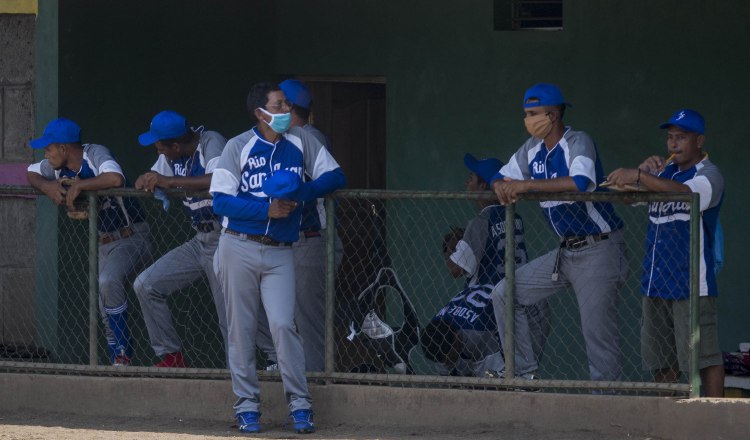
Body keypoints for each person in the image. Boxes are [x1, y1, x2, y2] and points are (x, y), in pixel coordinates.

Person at [209, 81, 345, 434]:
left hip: (282, 251)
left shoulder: (301, 140)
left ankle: (300, 404)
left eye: (285, 105)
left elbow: (335, 175)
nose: (286, 111)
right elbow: (220, 201)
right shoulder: (237, 146)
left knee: (284, 325)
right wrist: (265, 210)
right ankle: (247, 406)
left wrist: (303, 191)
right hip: (238, 244)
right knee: (240, 330)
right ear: (260, 112)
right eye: (279, 105)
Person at [491, 83, 628, 382]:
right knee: (504, 293)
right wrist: (500, 185)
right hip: (566, 251)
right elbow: (500, 175)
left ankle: (609, 410)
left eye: (533, 113)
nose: (527, 120)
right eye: (526, 113)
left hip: (598, 247)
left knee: (597, 338)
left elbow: (580, 181)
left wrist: (526, 185)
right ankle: (524, 376)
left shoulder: (577, 141)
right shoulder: (533, 149)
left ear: (552, 115)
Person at [606, 109, 725, 397]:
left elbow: (685, 193)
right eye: (670, 137)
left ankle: (714, 420)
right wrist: (643, 172)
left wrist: (641, 177)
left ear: (699, 140)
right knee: (662, 360)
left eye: (682, 138)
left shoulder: (709, 173)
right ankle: (670, 420)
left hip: (691, 283)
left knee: (704, 358)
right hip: (656, 280)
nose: (673, 144)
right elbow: (622, 198)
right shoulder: (664, 172)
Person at [27, 117, 151, 366]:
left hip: (131, 235)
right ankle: (116, 362)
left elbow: (115, 177)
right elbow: (31, 172)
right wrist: (47, 186)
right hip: (105, 243)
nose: (46, 153)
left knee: (108, 282)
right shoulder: (57, 167)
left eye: (49, 147)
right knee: (105, 308)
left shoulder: (94, 154)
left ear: (63, 148)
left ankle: (123, 356)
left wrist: (81, 185)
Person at [421, 154, 549, 377]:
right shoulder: (513, 216)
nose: (466, 183)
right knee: (517, 365)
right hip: (519, 296)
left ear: (484, 186)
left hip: (488, 304)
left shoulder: (480, 222)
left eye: (471, 178)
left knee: (497, 365)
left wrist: (451, 249)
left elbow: (456, 269)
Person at [257, 79, 343, 373]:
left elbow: (333, 178)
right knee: (270, 308)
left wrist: (300, 193)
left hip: (312, 237)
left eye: (279, 103)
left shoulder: (307, 136)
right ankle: (286, 367)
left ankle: (316, 386)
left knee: (308, 323)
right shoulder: (278, 139)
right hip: (287, 241)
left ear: (289, 107)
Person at [133, 110, 228, 368]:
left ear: (176, 145)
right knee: (146, 284)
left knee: (229, 317)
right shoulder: (174, 154)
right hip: (200, 239)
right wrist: (147, 180)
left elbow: (220, 181)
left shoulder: (210, 142)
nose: (158, 152)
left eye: (161, 147)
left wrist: (170, 181)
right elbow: (151, 176)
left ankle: (255, 371)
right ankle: (172, 356)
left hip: (226, 238)